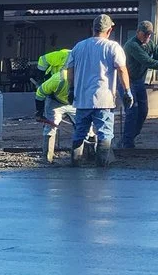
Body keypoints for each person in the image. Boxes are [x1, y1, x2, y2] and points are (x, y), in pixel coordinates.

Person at [47, 14, 127, 166]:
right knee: (104, 133)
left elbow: (70, 70)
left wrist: (71, 89)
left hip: (82, 99)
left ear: (92, 29)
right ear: (109, 30)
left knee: (80, 132)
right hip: (104, 99)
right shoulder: (113, 47)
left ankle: (75, 164)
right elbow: (122, 70)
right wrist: (127, 90)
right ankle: (101, 165)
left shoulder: (79, 47)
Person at [120, 18, 158, 151]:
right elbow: (148, 61)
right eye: (145, 34)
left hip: (138, 81)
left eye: (149, 34)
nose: (147, 37)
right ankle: (127, 144)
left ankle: (130, 137)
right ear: (138, 32)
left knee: (143, 111)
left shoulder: (150, 44)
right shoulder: (132, 45)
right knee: (132, 111)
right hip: (127, 81)